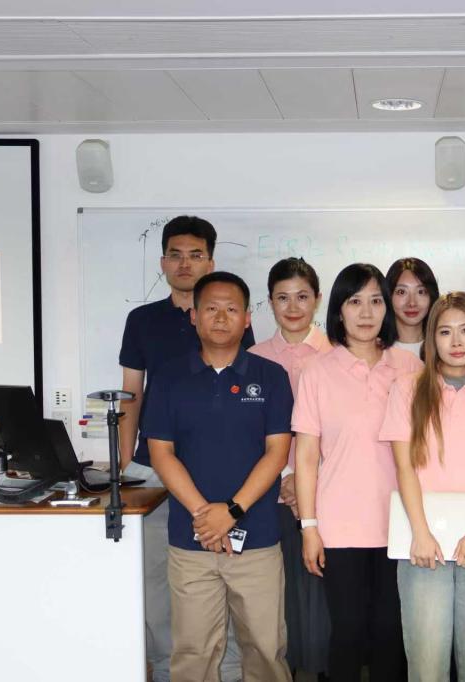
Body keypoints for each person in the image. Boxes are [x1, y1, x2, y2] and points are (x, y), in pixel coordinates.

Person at [119, 215, 254, 682]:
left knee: (225, 572)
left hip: (218, 472)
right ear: (162, 262)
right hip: (154, 469)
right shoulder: (142, 321)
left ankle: (229, 670)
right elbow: (131, 395)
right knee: (159, 576)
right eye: (175, 254)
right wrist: (125, 465)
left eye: (196, 255)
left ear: (210, 262)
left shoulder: (229, 317)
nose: (184, 263)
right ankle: (164, 667)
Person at [142, 271, 294, 682]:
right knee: (193, 653)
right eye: (211, 308)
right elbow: (161, 454)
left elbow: (277, 453)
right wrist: (205, 516)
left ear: (247, 318)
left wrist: (231, 511)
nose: (221, 317)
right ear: (194, 316)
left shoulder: (271, 376)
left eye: (232, 309)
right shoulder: (169, 377)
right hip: (191, 539)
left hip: (257, 538)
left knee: (265, 649)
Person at [292, 263, 423, 682]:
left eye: (376, 301)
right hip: (341, 526)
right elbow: (306, 456)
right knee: (346, 634)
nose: (366, 313)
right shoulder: (317, 372)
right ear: (338, 310)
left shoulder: (411, 368)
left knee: (391, 634)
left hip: (402, 524)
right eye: (354, 301)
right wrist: (309, 527)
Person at [380, 292, 465, 682]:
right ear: (432, 339)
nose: (456, 342)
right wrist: (421, 534)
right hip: (423, 547)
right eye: (445, 332)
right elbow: (405, 468)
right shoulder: (407, 389)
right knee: (426, 667)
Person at [247, 257, 332, 679]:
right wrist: (287, 478)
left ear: (318, 299)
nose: (293, 307)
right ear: (270, 303)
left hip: (330, 489)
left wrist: (307, 480)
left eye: (302, 296)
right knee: (282, 595)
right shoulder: (253, 358)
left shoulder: (337, 354)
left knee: (324, 595)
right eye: (282, 298)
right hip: (272, 492)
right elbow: (250, 433)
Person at [386, 257, 440, 358]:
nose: (412, 303)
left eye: (421, 292)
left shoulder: (443, 348)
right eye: (401, 292)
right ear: (389, 295)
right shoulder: (375, 350)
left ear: (431, 296)